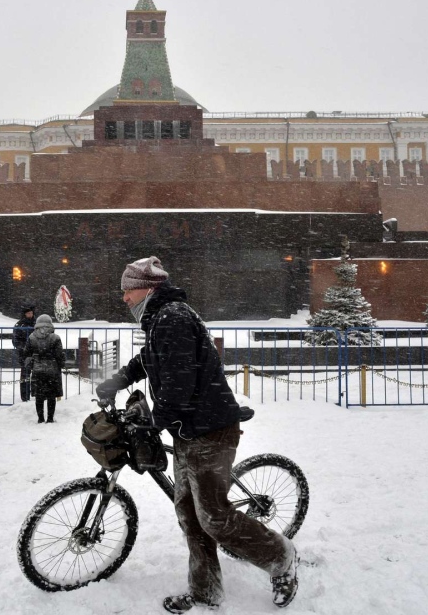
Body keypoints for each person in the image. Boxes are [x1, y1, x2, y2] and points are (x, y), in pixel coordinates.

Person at [96, 256, 299, 612]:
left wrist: (156, 420)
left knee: (214, 517)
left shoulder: (172, 317)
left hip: (211, 430)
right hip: (189, 431)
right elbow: (150, 358)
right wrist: (119, 380)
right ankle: (206, 591)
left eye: (128, 290)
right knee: (190, 516)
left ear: (148, 288)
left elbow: (179, 380)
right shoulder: (161, 319)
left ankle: (281, 557)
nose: (124, 298)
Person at [23, 314, 65, 424]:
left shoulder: (32, 337)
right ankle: (50, 418)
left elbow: (26, 353)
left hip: (37, 370)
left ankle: (40, 418)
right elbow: (59, 355)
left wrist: (33, 364)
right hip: (52, 370)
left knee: (39, 396)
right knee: (51, 396)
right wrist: (61, 364)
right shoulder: (55, 338)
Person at [14, 303, 36, 402]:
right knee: (25, 374)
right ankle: (25, 396)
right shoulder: (19, 325)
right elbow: (15, 340)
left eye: (31, 313)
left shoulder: (36, 324)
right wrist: (23, 348)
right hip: (24, 353)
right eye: (28, 313)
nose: (30, 315)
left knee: (36, 374)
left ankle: (35, 393)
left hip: (35, 352)